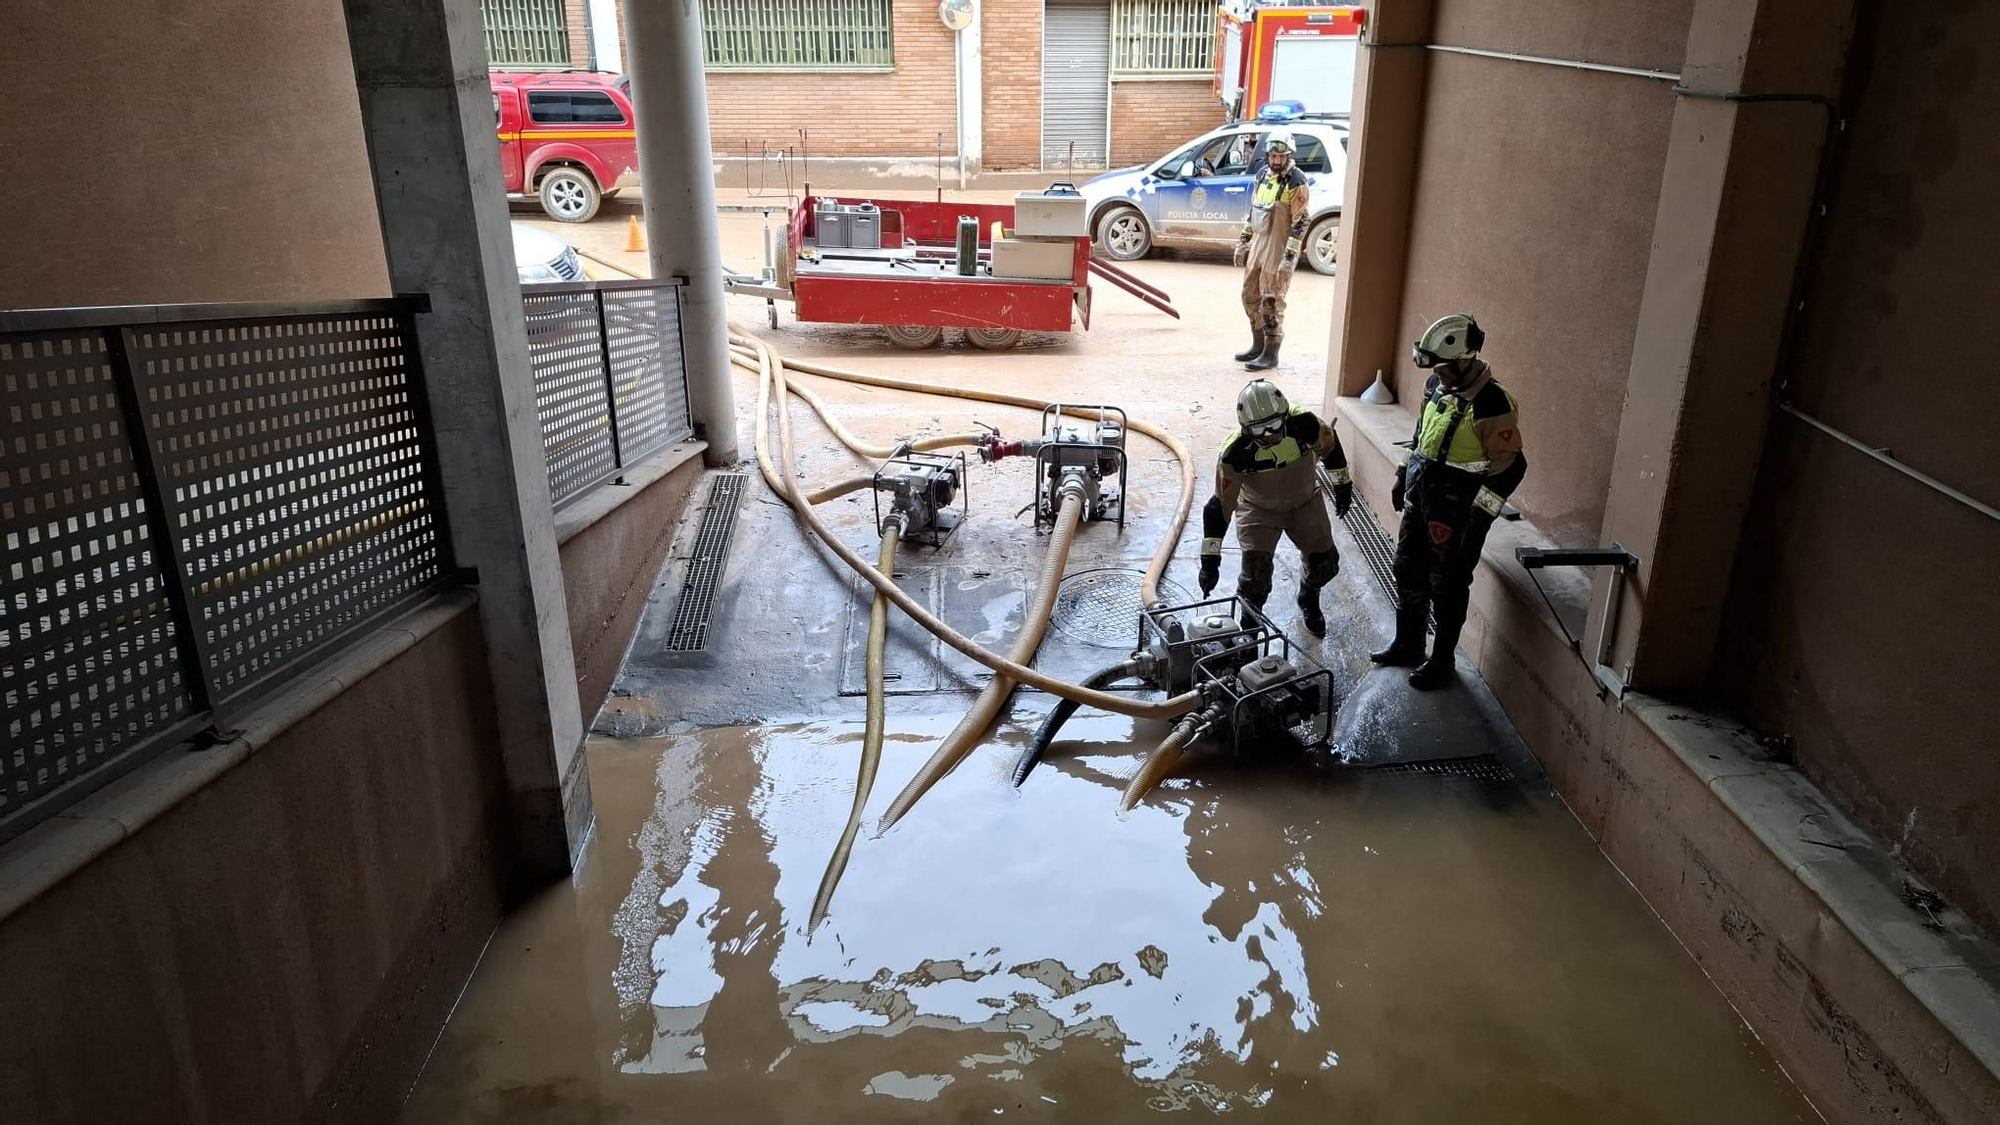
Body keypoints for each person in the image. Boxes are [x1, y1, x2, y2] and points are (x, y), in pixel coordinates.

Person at [1370, 314, 1527, 689]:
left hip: (1458, 509)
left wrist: (1477, 520)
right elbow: (1421, 435)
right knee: (1407, 569)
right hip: (1422, 494)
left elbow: (1511, 468)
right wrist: (1401, 475)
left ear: (1465, 360)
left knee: (1448, 584)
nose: (1436, 374)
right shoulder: (1436, 386)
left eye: (1442, 367)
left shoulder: (1492, 403)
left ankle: (1442, 662)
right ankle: (1408, 644)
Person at [1198, 379, 1353, 637]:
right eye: (1259, 430)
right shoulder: (1234, 453)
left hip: (1304, 502)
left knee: (1326, 565)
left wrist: (1342, 484)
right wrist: (1209, 559)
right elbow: (1219, 506)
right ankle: (1249, 629)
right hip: (1258, 510)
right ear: (1245, 429)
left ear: (1285, 415)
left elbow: (1331, 447)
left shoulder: (1306, 424)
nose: (1269, 435)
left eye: (1274, 425)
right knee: (1254, 579)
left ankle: (1309, 595)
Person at [1232, 131, 1311, 372]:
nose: (1277, 161)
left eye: (1281, 157)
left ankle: (1271, 353)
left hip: (1278, 248)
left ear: (1289, 156)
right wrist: (1244, 241)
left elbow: (1301, 221)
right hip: (1259, 242)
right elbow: (1253, 211)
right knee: (1249, 294)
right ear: (1267, 156)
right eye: (1273, 156)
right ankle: (1257, 345)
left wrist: (1289, 258)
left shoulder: (1296, 181)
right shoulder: (1262, 176)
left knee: (1271, 300)